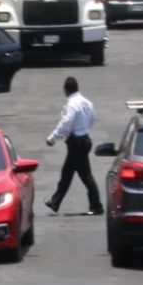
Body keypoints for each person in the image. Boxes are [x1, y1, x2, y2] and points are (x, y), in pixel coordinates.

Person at [44, 76, 101, 215]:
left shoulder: (72, 105)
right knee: (67, 173)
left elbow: (65, 123)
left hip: (76, 143)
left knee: (85, 175)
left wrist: (52, 138)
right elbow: (92, 118)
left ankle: (96, 205)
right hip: (84, 139)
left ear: (66, 90)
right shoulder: (87, 102)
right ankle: (55, 202)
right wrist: (84, 129)